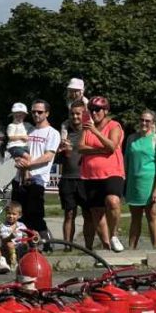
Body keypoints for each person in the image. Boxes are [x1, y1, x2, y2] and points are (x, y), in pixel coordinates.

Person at [79, 96, 125, 252]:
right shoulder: (87, 126)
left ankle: (113, 235)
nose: (94, 113)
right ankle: (106, 248)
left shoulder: (114, 126)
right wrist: (100, 150)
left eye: (97, 110)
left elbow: (112, 146)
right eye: (91, 110)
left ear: (105, 111)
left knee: (112, 201)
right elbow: (80, 147)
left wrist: (95, 133)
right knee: (96, 212)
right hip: (90, 175)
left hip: (112, 172)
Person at [11, 100, 61, 244]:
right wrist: (18, 160)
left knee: (35, 214)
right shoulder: (27, 130)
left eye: (40, 112)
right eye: (33, 112)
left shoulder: (53, 133)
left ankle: (47, 242)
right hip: (19, 178)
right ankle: (26, 244)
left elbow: (48, 156)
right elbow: (17, 149)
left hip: (37, 178)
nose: (36, 115)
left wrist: (29, 164)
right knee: (20, 215)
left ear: (47, 113)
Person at [124, 110, 156, 249]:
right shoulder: (131, 139)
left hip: (152, 184)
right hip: (134, 184)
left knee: (152, 215)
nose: (144, 123)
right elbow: (126, 161)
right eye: (142, 120)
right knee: (135, 218)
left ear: (153, 123)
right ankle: (132, 249)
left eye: (147, 121)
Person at [58, 100, 88, 244]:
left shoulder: (89, 131)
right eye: (72, 113)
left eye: (78, 114)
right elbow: (57, 158)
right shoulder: (64, 133)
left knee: (88, 214)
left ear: (84, 114)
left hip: (86, 178)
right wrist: (63, 151)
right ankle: (67, 246)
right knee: (69, 214)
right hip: (68, 178)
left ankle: (88, 247)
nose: (75, 116)